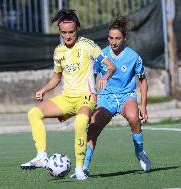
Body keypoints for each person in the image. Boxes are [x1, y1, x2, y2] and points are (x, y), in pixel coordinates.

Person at [20, 9, 116, 180]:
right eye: (64, 32)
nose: (67, 36)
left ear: (77, 29)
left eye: (71, 32)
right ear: (59, 31)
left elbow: (110, 66)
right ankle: (41, 156)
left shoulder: (88, 45)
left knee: (80, 123)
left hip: (86, 97)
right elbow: (57, 76)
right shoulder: (58, 51)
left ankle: (79, 169)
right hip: (66, 98)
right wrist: (44, 90)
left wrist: (105, 78)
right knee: (33, 113)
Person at [71, 16, 151, 177]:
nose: (113, 42)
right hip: (106, 98)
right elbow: (91, 78)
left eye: (117, 38)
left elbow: (142, 81)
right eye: (111, 38)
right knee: (93, 128)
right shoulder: (101, 55)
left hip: (126, 96)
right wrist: (90, 101)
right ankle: (84, 167)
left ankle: (140, 152)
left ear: (124, 38)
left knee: (134, 118)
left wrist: (143, 105)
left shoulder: (133, 56)